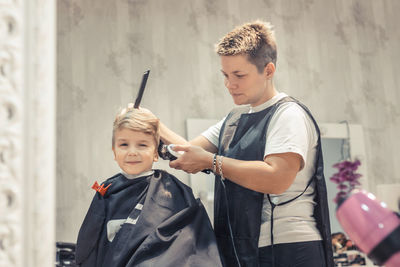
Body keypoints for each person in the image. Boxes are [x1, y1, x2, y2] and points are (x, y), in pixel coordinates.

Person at [139, 20, 334, 266]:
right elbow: (187, 151)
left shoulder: (288, 115)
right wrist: (151, 124)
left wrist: (211, 162)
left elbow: (277, 178)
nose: (229, 84)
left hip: (289, 248)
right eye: (226, 75)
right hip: (244, 248)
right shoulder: (233, 120)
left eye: (239, 75)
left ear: (269, 70)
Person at [75, 108, 222, 267]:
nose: (132, 152)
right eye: (124, 144)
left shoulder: (172, 192)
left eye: (142, 145)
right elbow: (88, 246)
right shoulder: (106, 191)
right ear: (114, 151)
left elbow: (191, 248)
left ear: (156, 153)